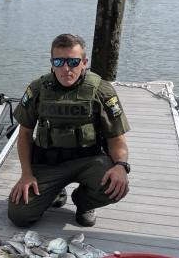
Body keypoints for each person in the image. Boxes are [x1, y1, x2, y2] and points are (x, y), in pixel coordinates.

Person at [8, 33, 130, 228]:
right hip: (48, 163)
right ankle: (55, 191)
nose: (66, 68)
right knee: (19, 214)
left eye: (73, 62)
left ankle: (84, 203)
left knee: (116, 186)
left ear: (84, 62)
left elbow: (117, 139)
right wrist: (26, 174)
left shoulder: (102, 90)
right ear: (52, 63)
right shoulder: (38, 89)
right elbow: (24, 135)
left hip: (88, 160)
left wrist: (121, 166)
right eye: (59, 61)